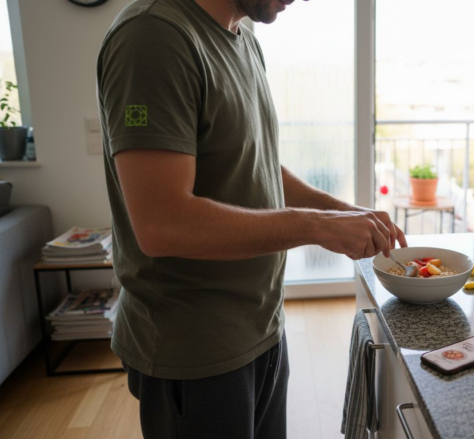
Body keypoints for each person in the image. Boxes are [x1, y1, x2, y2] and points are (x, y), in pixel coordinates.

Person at [97, 0, 406, 437]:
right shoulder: (153, 37)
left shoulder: (244, 41)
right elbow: (162, 224)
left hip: (261, 328)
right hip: (195, 350)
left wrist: (341, 212)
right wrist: (317, 226)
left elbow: (257, 166)